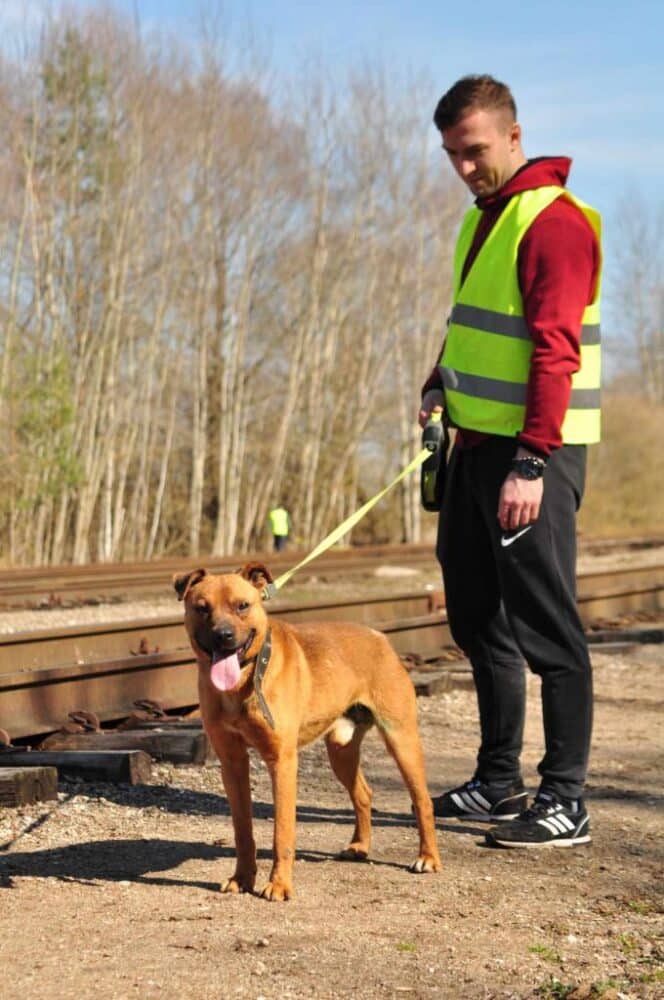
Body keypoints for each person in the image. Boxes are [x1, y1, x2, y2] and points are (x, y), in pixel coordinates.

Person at [419, 75, 601, 848]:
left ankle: (565, 800)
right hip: (474, 446)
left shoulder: (554, 223)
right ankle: (498, 781)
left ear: (514, 135)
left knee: (546, 626)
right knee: (474, 614)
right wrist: (438, 380)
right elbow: (474, 325)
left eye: (475, 151)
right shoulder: (483, 219)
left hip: (534, 455)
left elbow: (556, 351)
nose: (464, 168)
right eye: (452, 156)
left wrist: (531, 462)